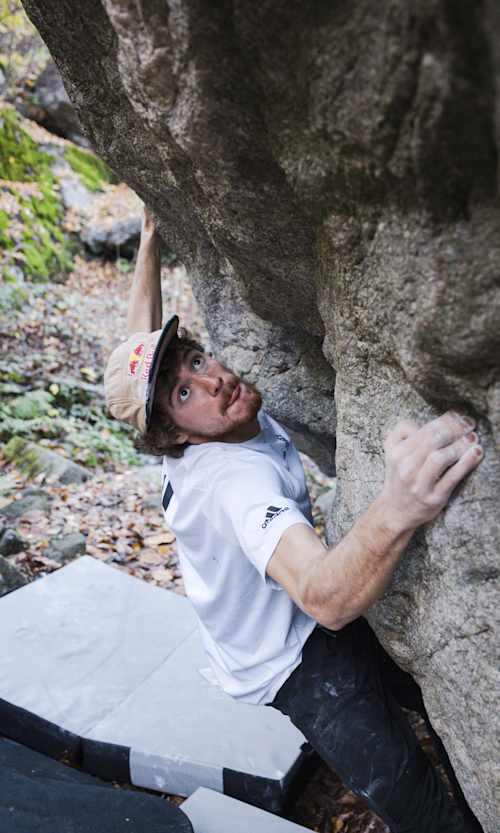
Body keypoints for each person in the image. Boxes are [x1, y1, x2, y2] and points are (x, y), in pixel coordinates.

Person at [104, 207, 485, 833]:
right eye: (182, 392)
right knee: (412, 800)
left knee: (425, 697)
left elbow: (137, 337)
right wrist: (402, 504)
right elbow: (326, 599)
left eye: (196, 360)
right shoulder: (235, 485)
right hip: (290, 661)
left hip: (290, 594)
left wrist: (149, 240)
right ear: (174, 435)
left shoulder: (190, 432)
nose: (210, 381)